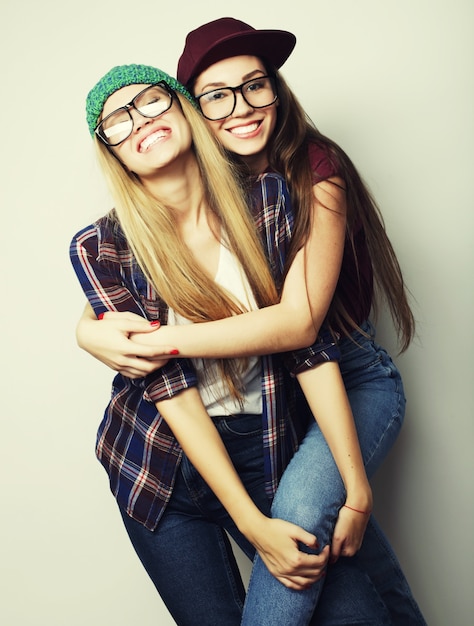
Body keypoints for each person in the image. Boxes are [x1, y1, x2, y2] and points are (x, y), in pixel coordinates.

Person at [77, 18, 427, 626]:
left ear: (181, 112)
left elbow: (301, 335)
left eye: (150, 101)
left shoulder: (277, 192)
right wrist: (87, 327)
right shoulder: (102, 246)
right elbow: (165, 387)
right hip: (155, 461)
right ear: (113, 151)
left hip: (269, 433)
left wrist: (162, 341)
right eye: (117, 121)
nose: (140, 121)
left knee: (353, 605)